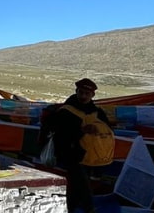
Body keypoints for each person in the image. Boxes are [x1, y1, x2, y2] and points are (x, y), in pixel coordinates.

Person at [43, 78, 112, 213]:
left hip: (90, 154)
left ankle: (70, 208)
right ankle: (89, 209)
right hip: (71, 153)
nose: (83, 96)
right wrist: (81, 131)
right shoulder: (66, 111)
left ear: (92, 95)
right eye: (81, 92)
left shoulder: (97, 112)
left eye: (87, 93)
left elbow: (107, 128)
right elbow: (60, 133)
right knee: (83, 184)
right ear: (76, 91)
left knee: (76, 186)